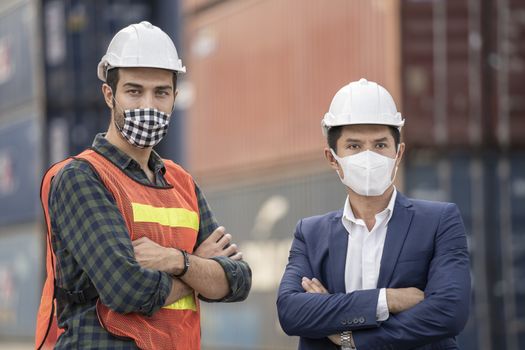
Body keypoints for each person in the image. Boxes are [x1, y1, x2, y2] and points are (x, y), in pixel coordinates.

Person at [35, 21, 251, 350]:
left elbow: (239, 281)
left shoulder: (182, 183)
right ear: (110, 94)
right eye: (134, 91)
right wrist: (199, 267)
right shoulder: (82, 178)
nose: (148, 105)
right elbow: (128, 291)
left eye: (161, 92)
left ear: (175, 96)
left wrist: (178, 260)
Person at [277, 78, 470, 349]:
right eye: (354, 146)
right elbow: (291, 312)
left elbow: (450, 312)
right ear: (332, 158)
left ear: (398, 153)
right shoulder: (310, 233)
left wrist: (349, 337)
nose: (369, 157)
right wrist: (386, 300)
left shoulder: (439, 221)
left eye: (380, 145)